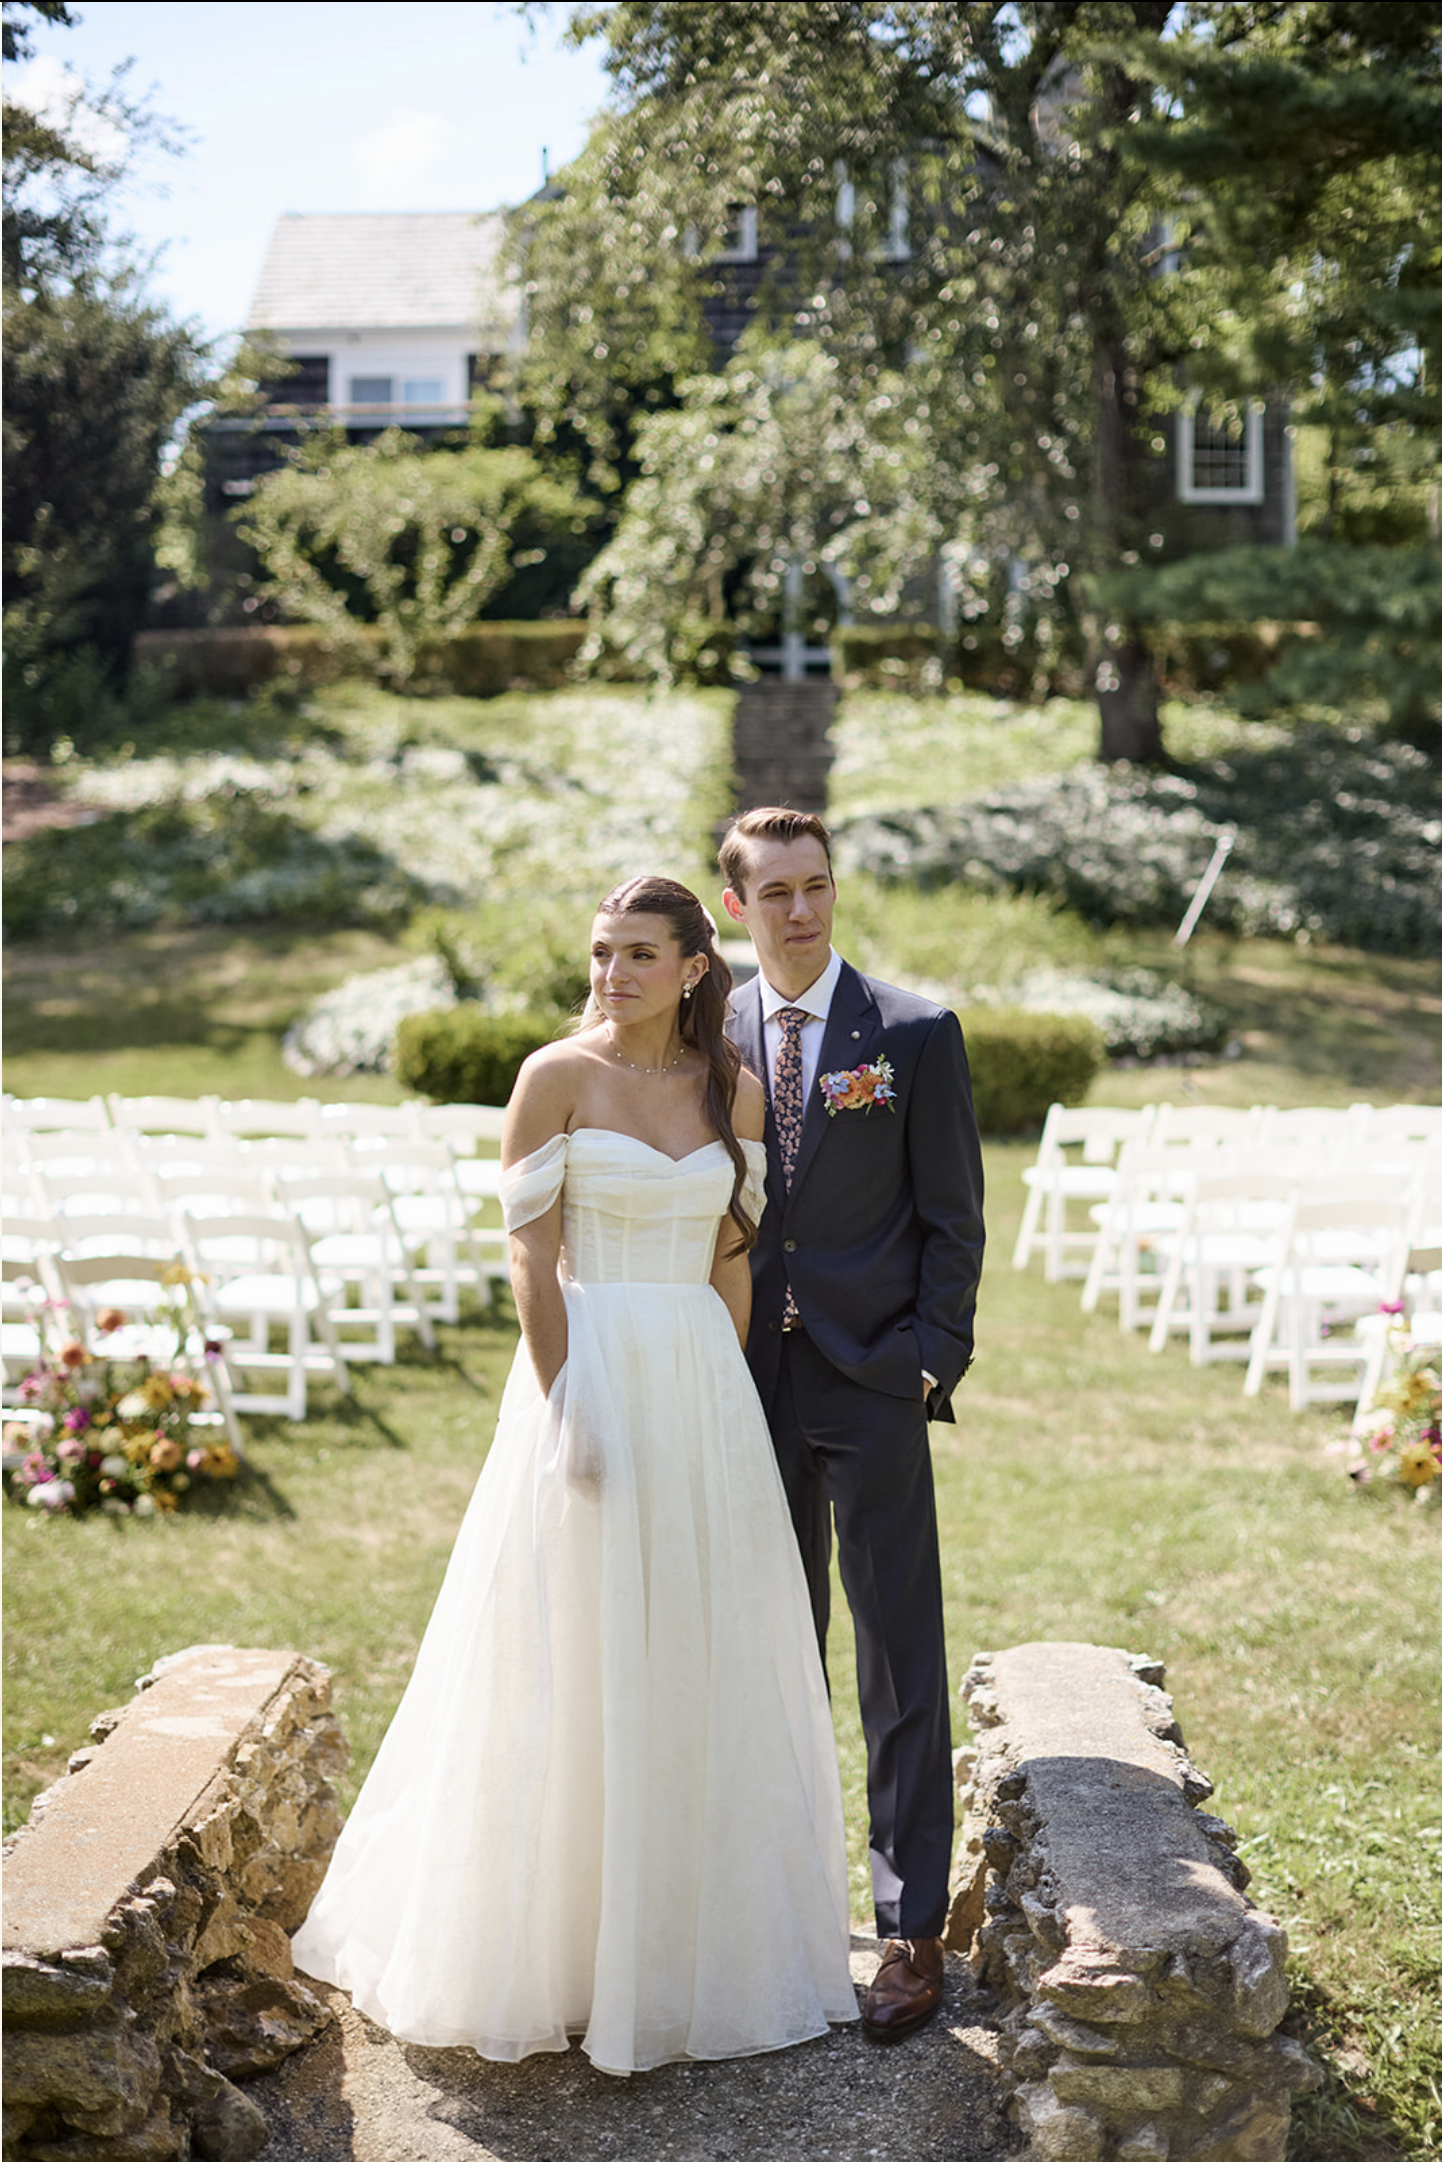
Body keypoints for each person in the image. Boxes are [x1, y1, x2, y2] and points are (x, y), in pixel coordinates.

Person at [291, 875, 859, 2075]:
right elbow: (531, 1257)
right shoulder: (554, 1076)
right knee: (571, 1644)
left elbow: (730, 1257)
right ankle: (551, 1952)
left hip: (699, 1379)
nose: (613, 972)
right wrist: (567, 1400)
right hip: (588, 1356)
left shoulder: (733, 1090)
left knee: (694, 1648)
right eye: (602, 952)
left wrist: (739, 1403)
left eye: (640, 954)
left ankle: (684, 1947)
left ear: (695, 966)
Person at [719, 807, 985, 2041]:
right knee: (765, 1648)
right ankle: (767, 1912)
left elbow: (953, 1216)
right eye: (774, 891)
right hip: (737, 1382)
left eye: (816, 884)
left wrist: (928, 1360)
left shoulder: (914, 1034)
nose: (801, 909)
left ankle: (907, 1925)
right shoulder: (697, 1029)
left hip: (871, 1377)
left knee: (896, 1655)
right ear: (735, 906)